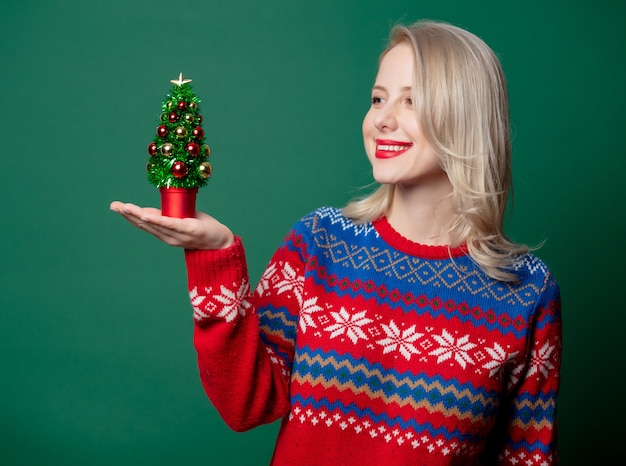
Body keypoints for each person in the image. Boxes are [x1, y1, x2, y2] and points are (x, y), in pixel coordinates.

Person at [111, 20, 561, 466]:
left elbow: (526, 457)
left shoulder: (527, 291)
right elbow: (246, 405)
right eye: (378, 98)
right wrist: (216, 255)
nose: (382, 119)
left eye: (412, 101)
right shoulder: (319, 243)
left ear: (467, 117)